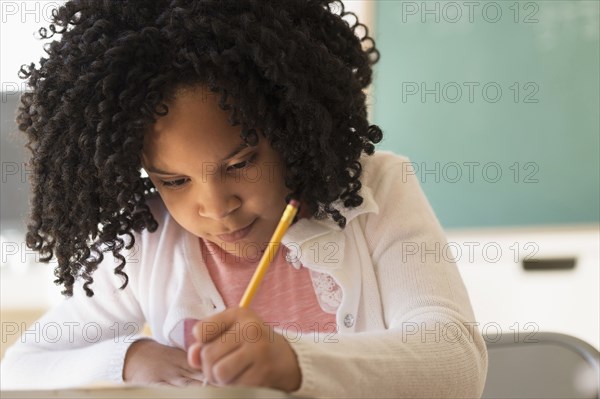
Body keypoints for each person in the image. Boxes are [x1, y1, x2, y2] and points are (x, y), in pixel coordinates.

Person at [1, 0, 488, 397]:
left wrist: (295, 364)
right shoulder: (149, 242)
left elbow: (456, 359)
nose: (215, 207)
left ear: (290, 127)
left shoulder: (376, 192)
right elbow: (20, 367)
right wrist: (129, 359)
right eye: (174, 181)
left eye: (240, 164)